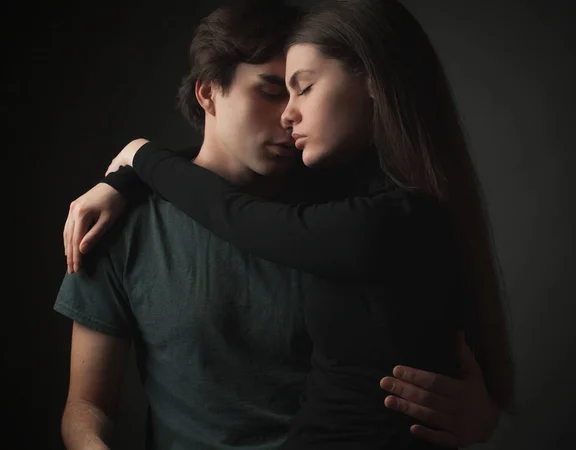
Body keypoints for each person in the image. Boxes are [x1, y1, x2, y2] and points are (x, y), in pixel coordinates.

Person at [60, 0, 511, 448]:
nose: (287, 115)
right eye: (272, 91)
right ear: (208, 92)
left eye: (303, 89)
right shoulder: (113, 225)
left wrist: (479, 416)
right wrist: (127, 178)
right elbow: (85, 407)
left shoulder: (350, 206)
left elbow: (448, 344)